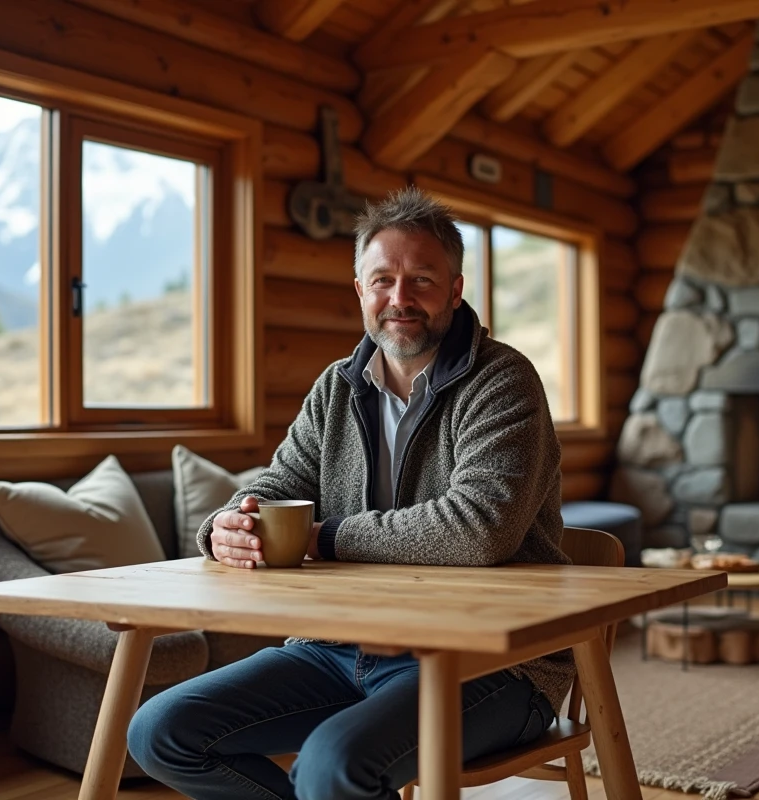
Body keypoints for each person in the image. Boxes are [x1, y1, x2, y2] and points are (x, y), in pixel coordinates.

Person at [128, 186, 572, 800]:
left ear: (455, 289)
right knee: (160, 731)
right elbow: (280, 482)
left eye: (421, 279)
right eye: (383, 279)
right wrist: (230, 522)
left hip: (492, 661)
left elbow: (480, 527)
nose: (400, 298)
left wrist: (325, 538)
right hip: (337, 646)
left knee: (332, 767)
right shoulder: (336, 386)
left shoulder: (503, 379)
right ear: (360, 290)